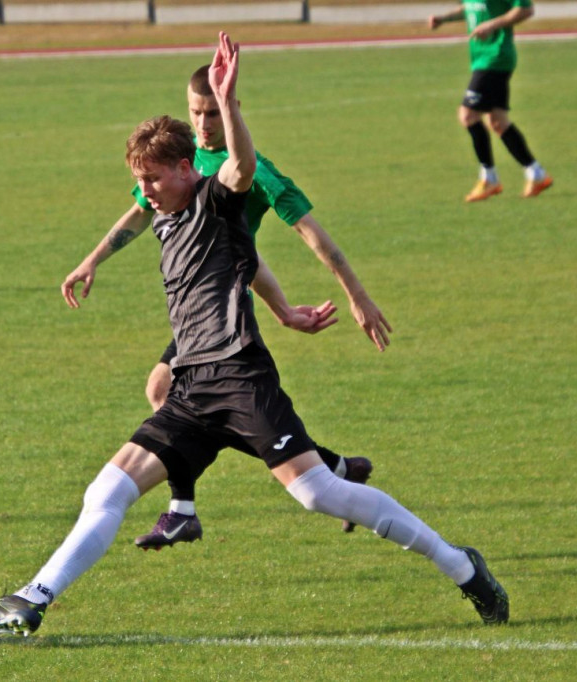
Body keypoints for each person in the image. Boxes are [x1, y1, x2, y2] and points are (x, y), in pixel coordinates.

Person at [0, 33, 509, 637]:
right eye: (138, 179)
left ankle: (462, 567)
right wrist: (97, 259)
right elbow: (248, 264)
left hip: (242, 376)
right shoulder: (165, 217)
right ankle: (31, 601)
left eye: (152, 179)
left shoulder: (216, 199)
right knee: (107, 488)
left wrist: (229, 101)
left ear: (186, 168)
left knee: (319, 495)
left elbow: (243, 169)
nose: (144, 190)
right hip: (192, 387)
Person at [61, 64, 391, 548]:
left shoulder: (252, 170)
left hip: (226, 312)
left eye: (213, 111)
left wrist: (356, 296)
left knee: (170, 392)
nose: (203, 122)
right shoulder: (178, 163)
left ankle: (182, 509)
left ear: (233, 107)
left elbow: (310, 237)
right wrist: (92, 261)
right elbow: (138, 210)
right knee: (181, 400)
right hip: (197, 305)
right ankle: (338, 467)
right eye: (196, 111)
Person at [428, 0, 553, 202]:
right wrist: (444, 19)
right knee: (498, 122)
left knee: (468, 115)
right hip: (481, 58)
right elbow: (472, 8)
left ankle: (489, 179)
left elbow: (526, 9)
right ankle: (537, 174)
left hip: (495, 57)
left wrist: (492, 24)